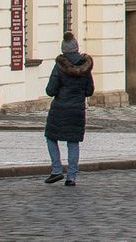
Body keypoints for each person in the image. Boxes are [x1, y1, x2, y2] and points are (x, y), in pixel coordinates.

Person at [43, 32, 94, 186]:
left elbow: (50, 90)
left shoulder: (59, 66)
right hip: (77, 110)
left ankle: (57, 170)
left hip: (60, 109)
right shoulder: (85, 67)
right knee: (73, 142)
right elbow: (89, 91)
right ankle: (71, 177)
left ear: (63, 50)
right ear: (77, 48)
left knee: (51, 137)